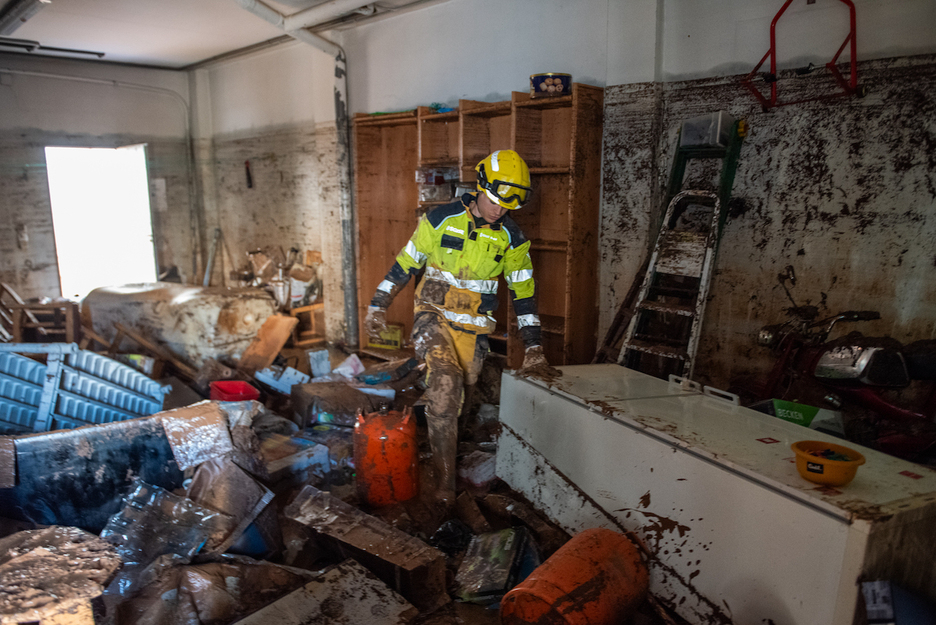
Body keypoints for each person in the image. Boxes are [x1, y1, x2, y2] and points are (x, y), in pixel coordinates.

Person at [363, 149, 559, 503]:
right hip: (432, 314)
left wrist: (534, 347)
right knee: (446, 381)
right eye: (494, 201)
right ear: (480, 186)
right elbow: (405, 264)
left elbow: (523, 295)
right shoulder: (440, 219)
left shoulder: (513, 240)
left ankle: (434, 437)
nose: (499, 210)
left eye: (507, 206)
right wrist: (378, 305)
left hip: (472, 331)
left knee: (457, 399)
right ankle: (444, 487)